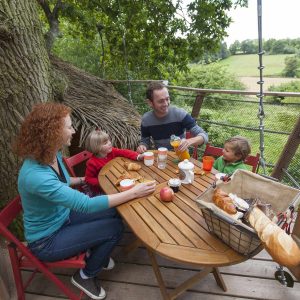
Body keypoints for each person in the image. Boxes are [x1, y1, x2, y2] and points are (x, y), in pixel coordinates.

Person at [14, 102, 155, 300]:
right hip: (47, 240)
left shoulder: (52, 154)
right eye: (69, 126)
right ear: (52, 131)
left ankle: (96, 252)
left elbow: (63, 182)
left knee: (115, 212)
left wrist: (83, 180)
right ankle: (85, 275)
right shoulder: (36, 175)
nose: (73, 130)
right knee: (114, 228)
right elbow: (85, 204)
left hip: (64, 217)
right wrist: (134, 192)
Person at [136, 82, 208, 154]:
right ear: (150, 103)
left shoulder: (180, 114)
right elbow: (145, 141)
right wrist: (142, 146)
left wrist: (188, 141)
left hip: (181, 157)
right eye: (161, 101)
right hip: (161, 157)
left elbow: (204, 136)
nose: (166, 104)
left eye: (167, 99)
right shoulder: (146, 119)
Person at [85, 129, 144, 196]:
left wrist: (138, 156)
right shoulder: (92, 163)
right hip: (102, 190)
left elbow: (124, 152)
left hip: (115, 179)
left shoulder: (112, 151)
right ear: (96, 147)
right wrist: (102, 182)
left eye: (108, 140)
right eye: (105, 143)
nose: (110, 143)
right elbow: (88, 179)